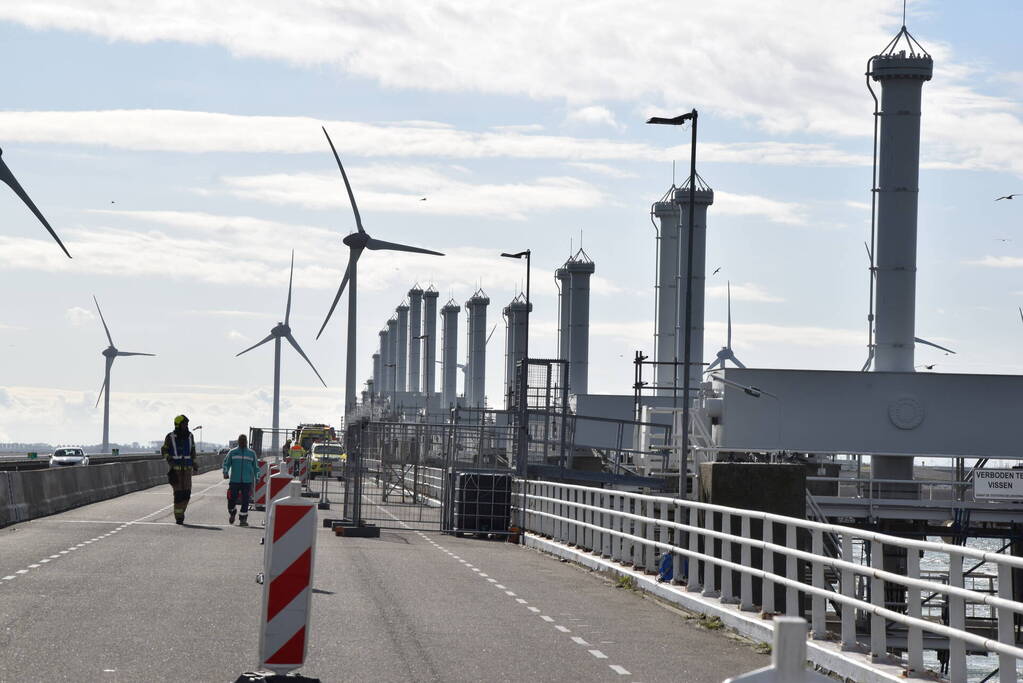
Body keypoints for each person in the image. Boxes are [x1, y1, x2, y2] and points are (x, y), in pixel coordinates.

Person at [162, 414, 199, 525]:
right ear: (178, 424)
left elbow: (193, 451)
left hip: (187, 471)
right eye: (184, 424)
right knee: (178, 494)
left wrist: (195, 463)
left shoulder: (190, 436)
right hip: (176, 471)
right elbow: (164, 450)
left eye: (187, 424)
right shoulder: (170, 437)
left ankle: (180, 511)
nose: (186, 426)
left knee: (187, 494)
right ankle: (179, 517)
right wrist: (169, 460)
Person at [222, 434, 259, 526]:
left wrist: (257, 477)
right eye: (241, 440)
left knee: (245, 500)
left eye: (244, 440)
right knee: (231, 498)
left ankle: (243, 519)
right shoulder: (232, 452)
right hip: (234, 480)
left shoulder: (251, 453)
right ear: (238, 441)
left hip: (247, 481)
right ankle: (232, 511)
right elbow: (226, 464)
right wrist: (225, 472)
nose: (242, 442)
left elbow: (256, 467)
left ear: (246, 442)